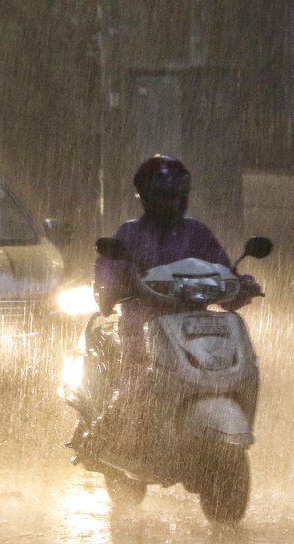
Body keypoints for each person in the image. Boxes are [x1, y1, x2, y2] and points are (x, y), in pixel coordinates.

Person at [71, 154, 259, 457]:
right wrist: (112, 288)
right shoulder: (129, 233)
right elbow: (107, 271)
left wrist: (242, 285)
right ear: (146, 197)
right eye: (163, 196)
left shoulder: (198, 232)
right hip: (140, 329)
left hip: (195, 330)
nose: (170, 203)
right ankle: (107, 436)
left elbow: (223, 269)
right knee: (139, 386)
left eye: (176, 196)